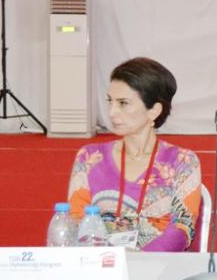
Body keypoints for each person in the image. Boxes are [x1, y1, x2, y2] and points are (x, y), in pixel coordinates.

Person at [67, 57, 201, 251]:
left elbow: (182, 227)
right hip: (100, 262)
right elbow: (76, 220)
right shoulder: (89, 157)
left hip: (158, 263)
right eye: (110, 101)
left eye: (123, 103)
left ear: (154, 110)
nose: (112, 112)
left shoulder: (182, 161)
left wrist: (141, 260)